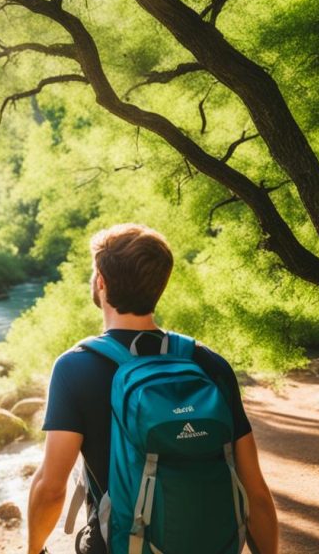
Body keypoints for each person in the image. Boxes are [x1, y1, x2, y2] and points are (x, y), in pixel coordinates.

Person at [25, 224, 279, 554]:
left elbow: (50, 488)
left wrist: (32, 550)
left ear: (101, 281)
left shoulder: (76, 367)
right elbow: (255, 491)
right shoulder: (209, 363)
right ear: (160, 283)